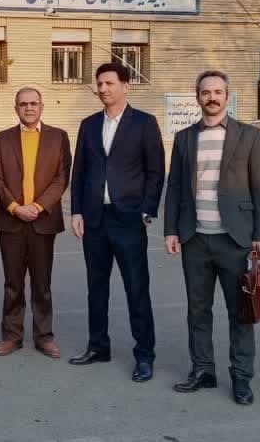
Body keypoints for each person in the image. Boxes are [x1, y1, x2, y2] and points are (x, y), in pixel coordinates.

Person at [164, 70, 260, 405]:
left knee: (241, 312)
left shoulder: (249, 135)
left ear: (227, 96)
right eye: (205, 92)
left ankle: (241, 377)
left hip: (235, 241)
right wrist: (171, 229)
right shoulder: (184, 138)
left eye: (217, 92)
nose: (211, 97)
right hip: (195, 238)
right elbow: (175, 187)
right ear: (197, 97)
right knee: (198, 309)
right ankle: (203, 370)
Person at [68, 63, 165, 383]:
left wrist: (147, 210)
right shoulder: (89, 124)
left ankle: (144, 355)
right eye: (99, 84)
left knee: (136, 289)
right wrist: (77, 211)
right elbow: (79, 172)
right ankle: (98, 346)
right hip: (95, 220)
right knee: (96, 288)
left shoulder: (144, 123)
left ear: (126, 86)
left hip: (128, 219)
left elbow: (156, 170)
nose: (103, 89)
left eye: (109, 83)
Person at [0, 87, 71, 359]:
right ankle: (12, 336)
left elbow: (62, 177)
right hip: (11, 221)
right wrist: (15, 208)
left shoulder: (58, 137)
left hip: (43, 221)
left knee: (42, 283)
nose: (28, 108)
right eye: (23, 104)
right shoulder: (3, 139)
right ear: (16, 108)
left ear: (41, 107)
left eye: (33, 103)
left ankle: (44, 336)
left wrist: (37, 207)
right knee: (12, 283)